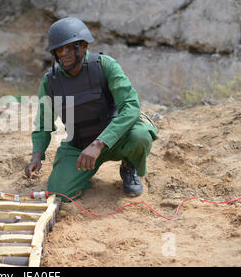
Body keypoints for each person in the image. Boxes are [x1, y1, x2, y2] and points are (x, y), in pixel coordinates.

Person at [24, 17, 158, 202]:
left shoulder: (105, 65)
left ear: (84, 46)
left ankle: (129, 167)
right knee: (59, 192)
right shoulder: (51, 81)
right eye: (59, 49)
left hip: (116, 138)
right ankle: (84, 176)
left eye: (70, 47)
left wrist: (100, 143)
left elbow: (131, 107)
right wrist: (37, 156)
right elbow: (43, 123)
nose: (64, 53)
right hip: (79, 145)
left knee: (140, 135)